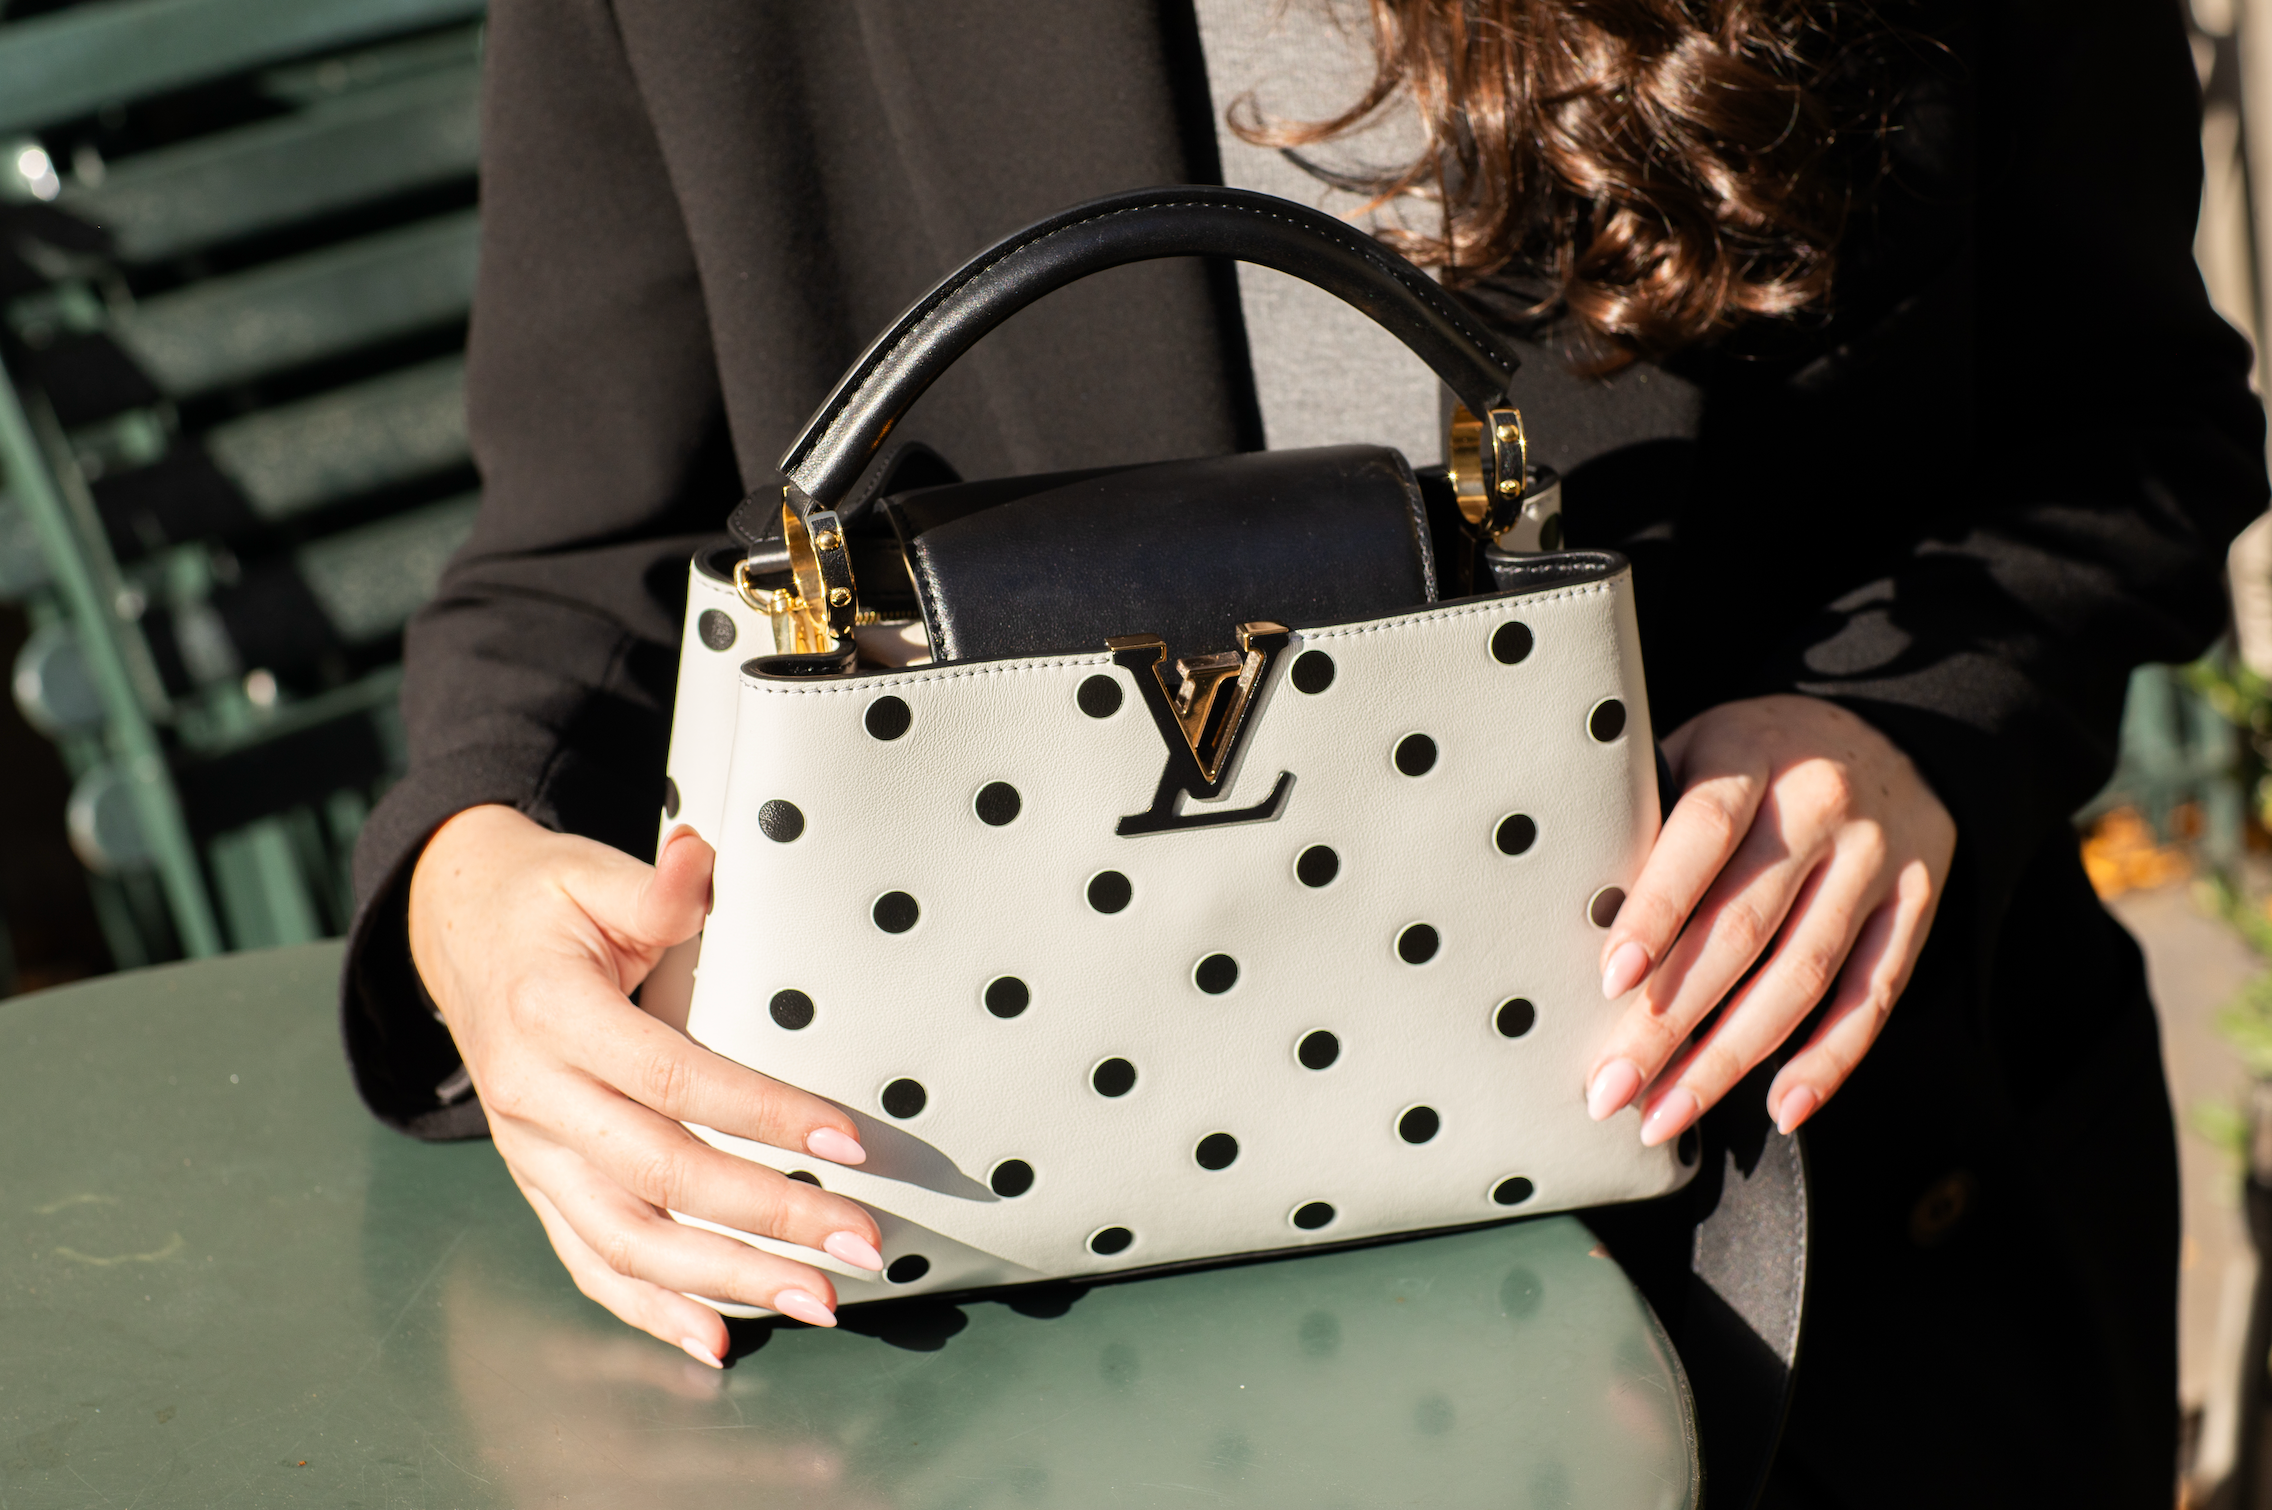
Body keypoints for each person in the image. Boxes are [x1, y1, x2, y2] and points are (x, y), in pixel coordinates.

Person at [340, 0, 2268, 1501]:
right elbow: (588, 564)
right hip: (991, 1359)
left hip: (1848, 1273)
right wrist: (478, 892)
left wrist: (1902, 719)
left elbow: (2132, 418)